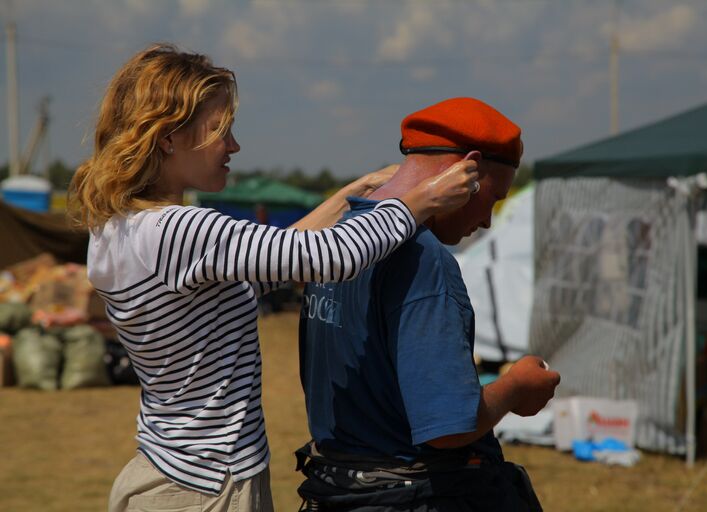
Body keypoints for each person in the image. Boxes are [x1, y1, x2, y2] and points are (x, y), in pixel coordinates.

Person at [68, 44, 479, 512]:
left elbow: (261, 271)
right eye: (221, 129)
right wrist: (420, 201)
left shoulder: (119, 229)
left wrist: (350, 196)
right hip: (209, 488)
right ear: (168, 137)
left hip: (168, 471)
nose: (234, 146)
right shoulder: (179, 229)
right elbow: (331, 257)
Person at [297, 97, 561, 511]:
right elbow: (447, 427)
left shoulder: (336, 239)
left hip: (337, 493)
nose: (488, 221)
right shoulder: (422, 259)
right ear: (467, 170)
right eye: (493, 198)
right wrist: (515, 388)